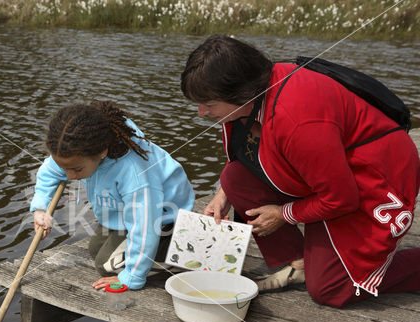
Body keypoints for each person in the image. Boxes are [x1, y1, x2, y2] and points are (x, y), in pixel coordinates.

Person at [181, 35, 420, 308]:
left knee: (333, 288)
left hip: (375, 174)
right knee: (234, 179)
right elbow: (245, 157)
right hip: (328, 168)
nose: (201, 112)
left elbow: (342, 198)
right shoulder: (250, 98)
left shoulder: (297, 121)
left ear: (241, 94)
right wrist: (223, 196)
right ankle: (300, 262)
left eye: (209, 104)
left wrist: (285, 214)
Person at [31, 100, 195, 290]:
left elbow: (144, 226)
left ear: (102, 152)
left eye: (76, 169)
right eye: (64, 168)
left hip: (163, 220)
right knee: (95, 249)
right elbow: (49, 171)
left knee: (105, 264)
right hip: (125, 215)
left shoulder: (134, 173)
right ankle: (151, 253)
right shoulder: (80, 150)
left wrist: (132, 277)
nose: (69, 176)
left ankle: (179, 256)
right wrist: (40, 209)